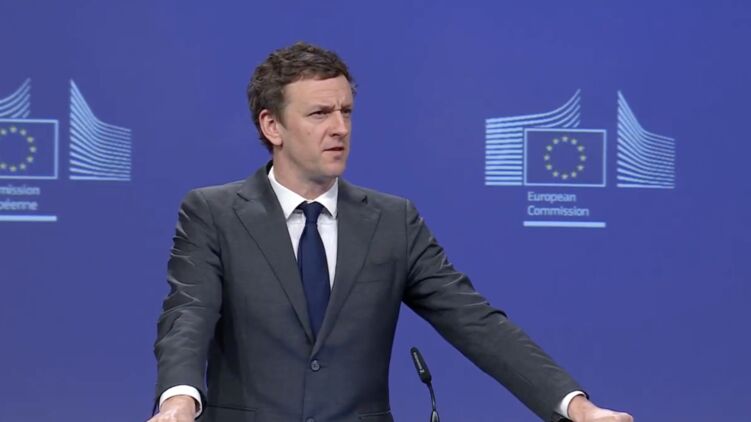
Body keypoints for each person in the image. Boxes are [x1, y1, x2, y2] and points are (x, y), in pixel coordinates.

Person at [149, 42, 633, 422]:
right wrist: (179, 399)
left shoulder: (392, 221)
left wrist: (574, 405)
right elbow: (188, 315)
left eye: (346, 111)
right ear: (272, 126)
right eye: (319, 114)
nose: (339, 128)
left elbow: (476, 322)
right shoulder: (214, 213)